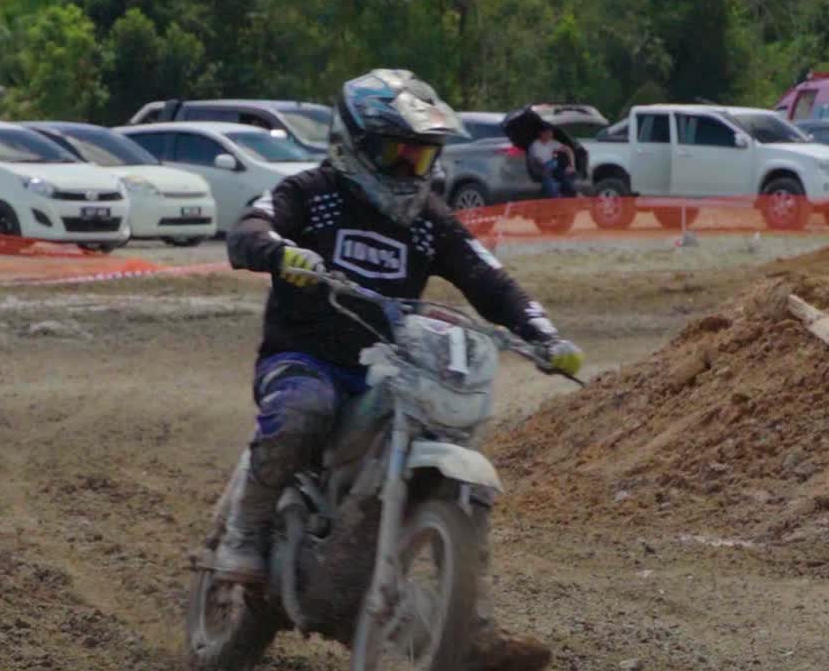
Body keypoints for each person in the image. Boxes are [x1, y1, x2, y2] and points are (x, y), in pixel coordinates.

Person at [223, 68, 583, 670]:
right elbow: (249, 229)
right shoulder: (312, 193)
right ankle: (245, 533)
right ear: (356, 143)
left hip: (390, 369)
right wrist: (281, 252)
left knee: (449, 455)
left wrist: (543, 334)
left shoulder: (427, 221)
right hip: (304, 358)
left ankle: (469, 625)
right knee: (303, 411)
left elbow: (486, 279)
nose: (411, 168)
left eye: (422, 157)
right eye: (399, 152)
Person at [529, 126, 576, 198]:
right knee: (550, 182)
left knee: (565, 178)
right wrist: (546, 167)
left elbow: (569, 150)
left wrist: (572, 165)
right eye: (547, 133)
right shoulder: (535, 144)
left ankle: (571, 195)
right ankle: (556, 197)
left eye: (551, 133)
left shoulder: (552, 142)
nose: (550, 135)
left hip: (553, 166)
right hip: (540, 167)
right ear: (541, 133)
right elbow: (538, 160)